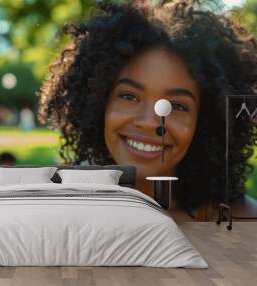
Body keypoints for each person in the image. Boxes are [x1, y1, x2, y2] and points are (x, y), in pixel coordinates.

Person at [38, 0, 257, 219]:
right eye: (129, 96)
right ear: (99, 102)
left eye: (178, 106)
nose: (151, 121)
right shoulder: (54, 215)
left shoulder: (240, 221)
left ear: (205, 120)